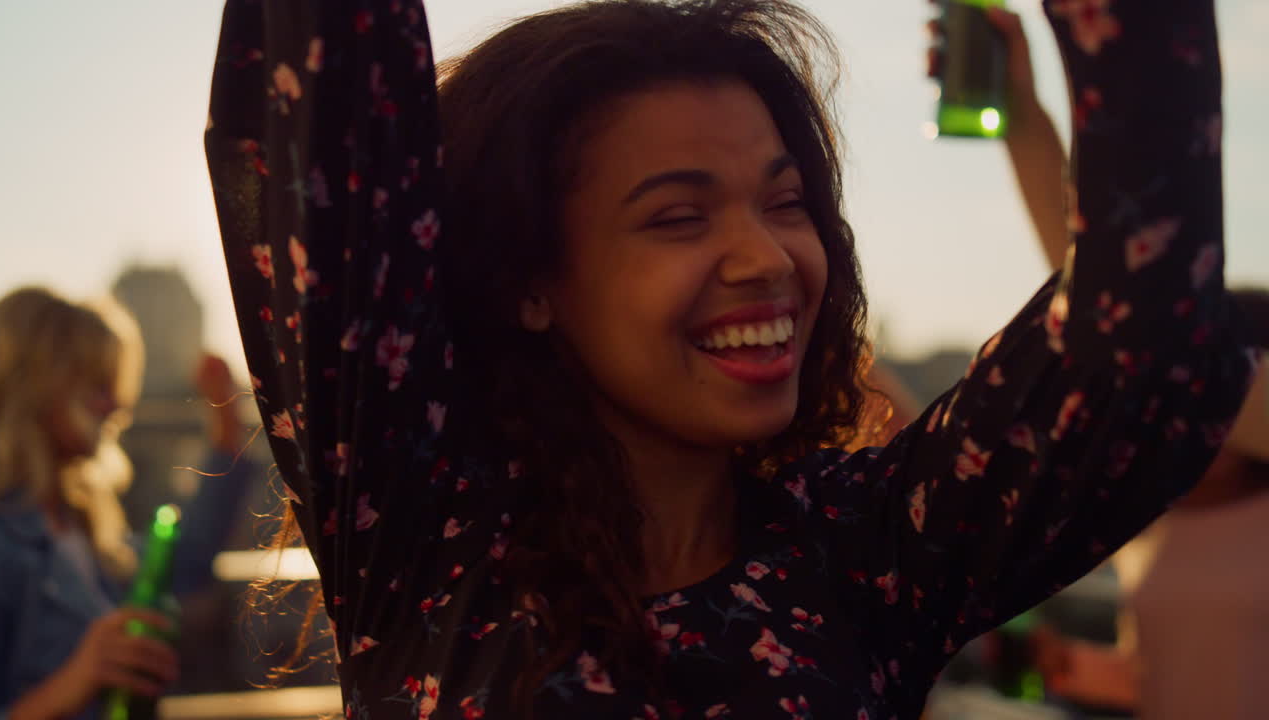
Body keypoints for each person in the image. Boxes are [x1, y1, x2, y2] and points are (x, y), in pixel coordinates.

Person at [204, 1, 1254, 718]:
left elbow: (1143, 345)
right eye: (676, 217)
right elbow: (318, 108)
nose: (767, 257)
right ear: (528, 277)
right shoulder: (424, 531)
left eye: (785, 201)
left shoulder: (870, 551)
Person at [959, 10, 1269, 718]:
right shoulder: (1148, 511)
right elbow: (1158, 677)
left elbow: (1135, 312)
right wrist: (1070, 667)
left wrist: (1028, 127)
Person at [0, 288, 258, 720]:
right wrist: (75, 681)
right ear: (33, 388)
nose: (117, 404)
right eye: (97, 386)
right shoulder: (0, 541)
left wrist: (226, 429)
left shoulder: (76, 521)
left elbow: (182, 562)